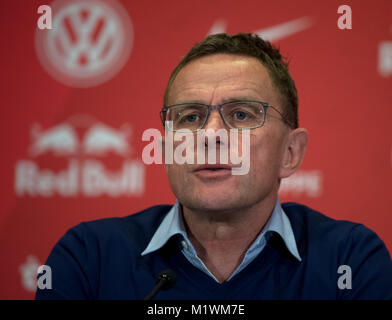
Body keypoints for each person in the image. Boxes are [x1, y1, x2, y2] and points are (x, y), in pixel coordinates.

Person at [36, 33, 392, 300]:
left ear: (290, 152)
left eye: (240, 114)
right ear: (165, 149)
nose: (209, 135)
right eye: (190, 117)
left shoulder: (350, 259)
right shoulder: (90, 257)